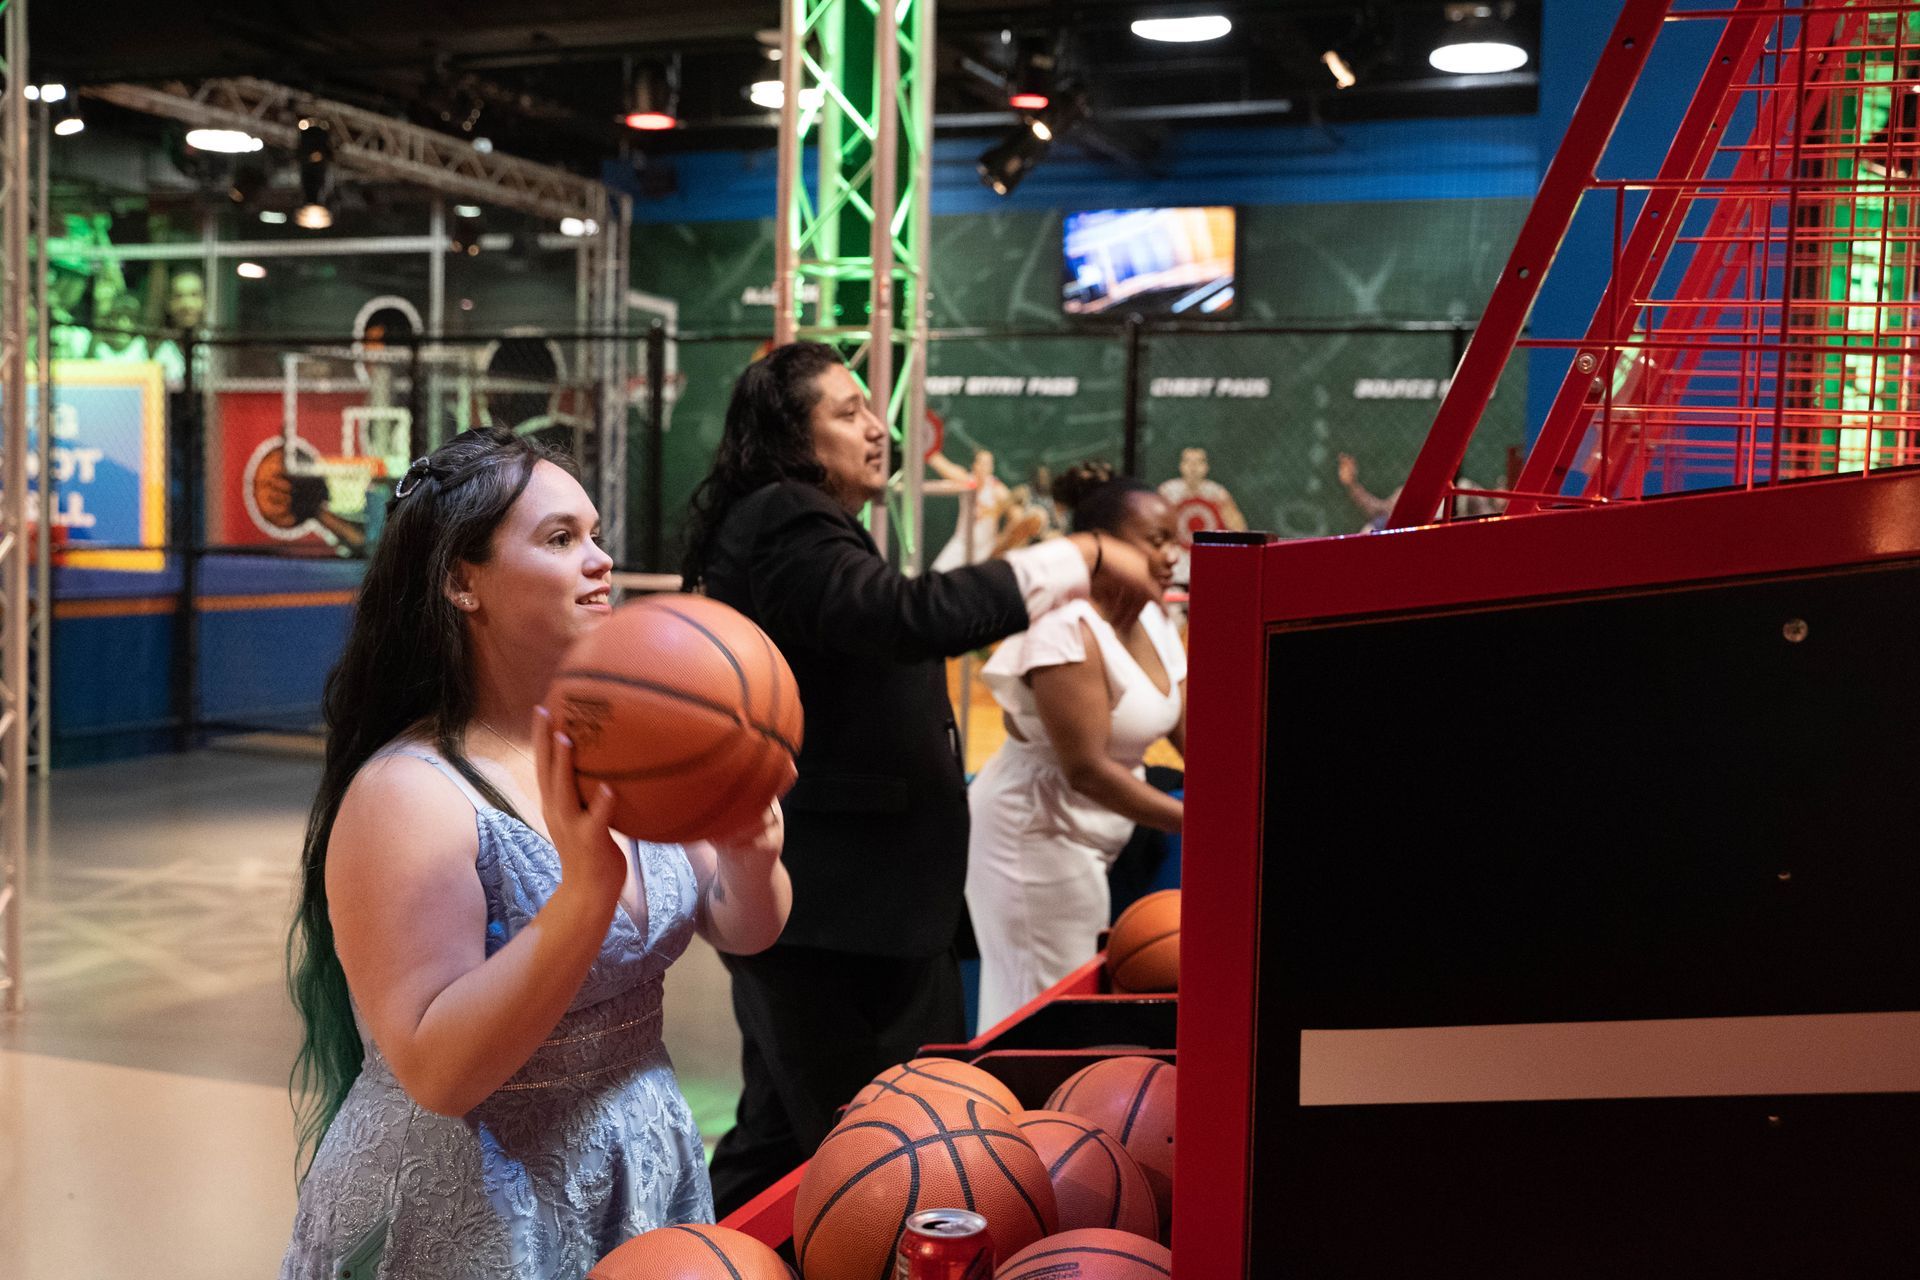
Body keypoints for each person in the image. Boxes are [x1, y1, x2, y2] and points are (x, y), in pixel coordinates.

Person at [280, 427, 791, 1278]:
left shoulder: (637, 742)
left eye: (594, 534)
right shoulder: (410, 793)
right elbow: (439, 1072)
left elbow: (747, 932)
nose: (600, 560)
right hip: (474, 1200)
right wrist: (585, 896)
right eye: (561, 539)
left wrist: (749, 852)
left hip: (638, 1160)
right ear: (459, 581)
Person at [681, 342, 1162, 1216]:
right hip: (839, 912)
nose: (877, 426)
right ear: (791, 437)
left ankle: (712, 1258)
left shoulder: (799, 521)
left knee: (784, 1138)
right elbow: (902, 618)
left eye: (872, 406)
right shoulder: (784, 514)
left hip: (862, 903)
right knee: (889, 1156)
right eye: (847, 410)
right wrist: (1077, 555)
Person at [965, 461, 1187, 1029]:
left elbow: (1197, 738)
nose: (1172, 556)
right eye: (1156, 541)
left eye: (1175, 541)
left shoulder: (1155, 617)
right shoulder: (1063, 625)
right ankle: (1014, 1119)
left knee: (1063, 1008)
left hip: (1087, 835)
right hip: (1030, 835)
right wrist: (1202, 822)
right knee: (1039, 1015)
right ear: (1101, 547)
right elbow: (1085, 768)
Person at [1337, 451, 1503, 532]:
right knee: (1374, 527)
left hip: (1460, 556)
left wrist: (1502, 507)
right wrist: (1352, 485)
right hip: (1419, 557)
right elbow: (1380, 511)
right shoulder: (1411, 492)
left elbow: (1491, 523)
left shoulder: (1467, 493)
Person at [928, 447, 1013, 571]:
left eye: (988, 464)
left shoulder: (999, 491)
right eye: (982, 463)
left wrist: (1003, 539)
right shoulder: (965, 481)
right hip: (962, 542)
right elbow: (944, 467)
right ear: (974, 465)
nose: (985, 467)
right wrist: (927, 446)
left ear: (992, 467)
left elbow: (1016, 514)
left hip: (986, 547)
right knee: (937, 573)